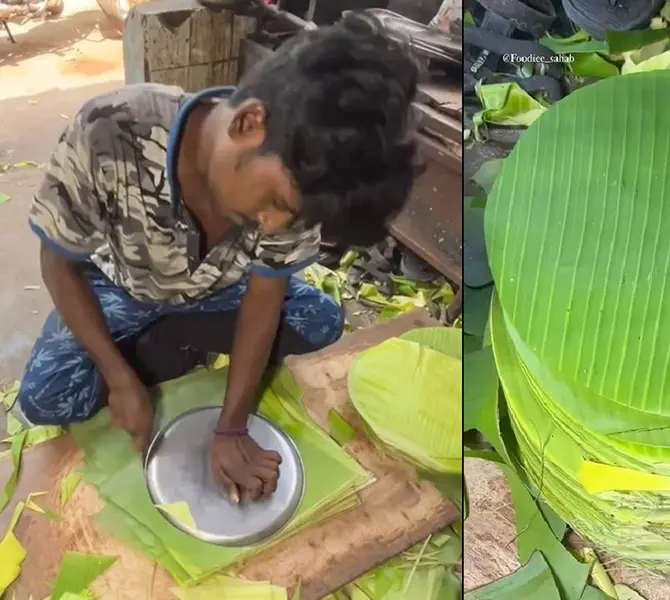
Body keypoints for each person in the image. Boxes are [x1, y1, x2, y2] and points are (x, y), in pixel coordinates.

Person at [16, 14, 420, 504]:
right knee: (45, 395)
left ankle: (171, 337)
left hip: (220, 293)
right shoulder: (109, 130)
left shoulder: (304, 182)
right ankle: (147, 347)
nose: (271, 226)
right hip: (120, 288)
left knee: (321, 323)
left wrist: (231, 428)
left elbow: (265, 295)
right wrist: (118, 377)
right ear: (248, 122)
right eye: (274, 202)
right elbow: (57, 266)